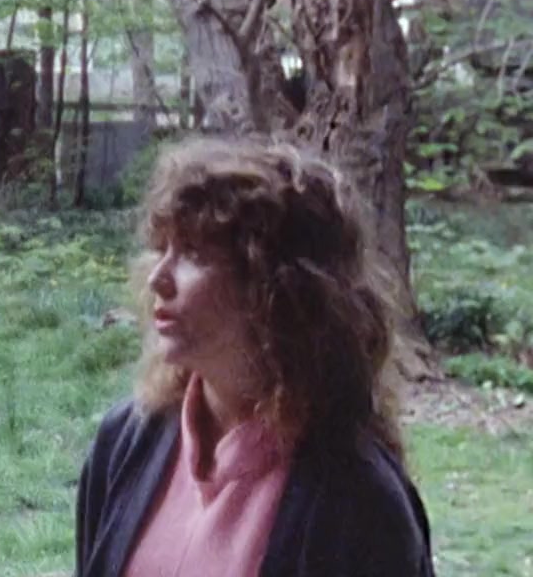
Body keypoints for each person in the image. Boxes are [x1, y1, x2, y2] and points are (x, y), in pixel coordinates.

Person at [75, 137, 434, 577]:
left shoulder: (361, 501)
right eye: (161, 247)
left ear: (275, 289)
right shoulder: (125, 441)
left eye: (192, 254)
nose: (158, 279)